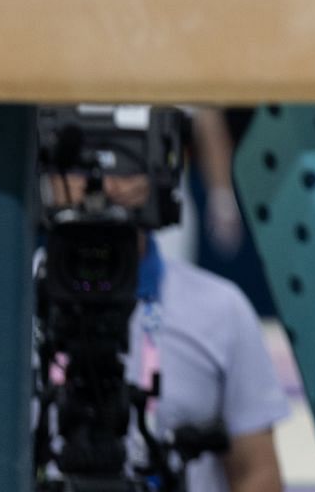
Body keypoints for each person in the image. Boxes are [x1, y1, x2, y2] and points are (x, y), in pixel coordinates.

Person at [42, 171, 288, 492]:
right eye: (80, 166)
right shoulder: (5, 307)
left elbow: (257, 474)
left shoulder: (221, 309)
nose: (101, 185)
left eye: (121, 167)